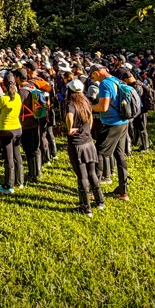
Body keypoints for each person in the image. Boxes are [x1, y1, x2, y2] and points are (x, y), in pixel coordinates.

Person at [89, 63, 130, 201]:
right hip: (123, 122)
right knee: (120, 155)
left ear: (98, 72)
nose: (93, 79)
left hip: (111, 124)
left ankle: (93, 190)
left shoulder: (104, 84)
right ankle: (123, 191)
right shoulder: (116, 80)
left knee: (99, 154)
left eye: (93, 75)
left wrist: (89, 107)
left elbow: (103, 107)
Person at [65, 79, 104, 216]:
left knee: (82, 176)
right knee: (92, 173)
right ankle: (100, 201)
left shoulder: (71, 104)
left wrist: (70, 129)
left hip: (77, 144)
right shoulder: (86, 102)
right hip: (88, 142)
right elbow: (91, 118)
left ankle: (85, 207)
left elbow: (69, 116)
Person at [0, 71, 24, 194]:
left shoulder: (2, 99)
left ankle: (8, 185)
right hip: (17, 128)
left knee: (8, 157)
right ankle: (19, 181)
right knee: (17, 154)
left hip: (6, 129)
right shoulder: (18, 97)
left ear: (4, 85)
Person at [16, 68, 42, 184]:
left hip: (26, 123)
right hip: (35, 121)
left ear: (17, 78)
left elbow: (17, 106)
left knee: (28, 149)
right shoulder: (33, 87)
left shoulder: (22, 92)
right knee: (35, 148)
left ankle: (32, 175)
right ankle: (38, 172)